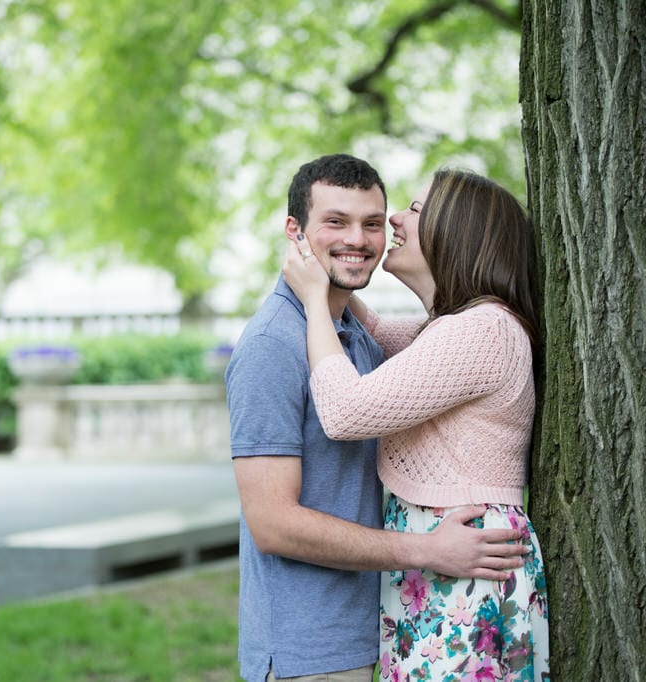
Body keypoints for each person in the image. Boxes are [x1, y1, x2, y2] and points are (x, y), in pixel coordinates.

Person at [226, 154, 530, 682]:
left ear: (452, 233)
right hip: (311, 647)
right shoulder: (273, 347)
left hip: (408, 612)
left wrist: (329, 292)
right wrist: (426, 550)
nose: (371, 235)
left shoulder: (371, 338)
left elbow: (387, 346)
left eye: (375, 220)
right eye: (336, 222)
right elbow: (272, 524)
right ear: (295, 232)